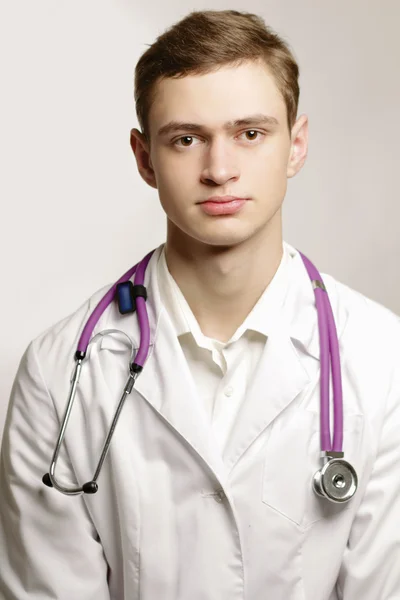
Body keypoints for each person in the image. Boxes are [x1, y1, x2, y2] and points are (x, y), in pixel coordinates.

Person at [0, 8, 399, 599]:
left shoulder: (382, 355)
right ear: (144, 159)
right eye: (186, 140)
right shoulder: (60, 373)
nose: (219, 170)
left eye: (250, 133)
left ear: (296, 144)